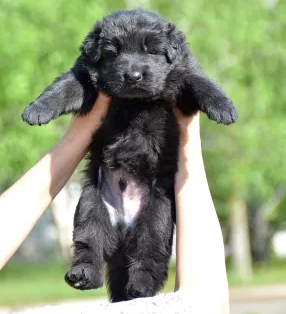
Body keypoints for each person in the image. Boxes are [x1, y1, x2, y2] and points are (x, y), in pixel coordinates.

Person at [0, 92, 229, 313]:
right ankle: (95, 263)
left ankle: (142, 274)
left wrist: (77, 136)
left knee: (150, 224)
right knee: (97, 210)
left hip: (145, 183)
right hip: (115, 183)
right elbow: (206, 301)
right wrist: (187, 140)